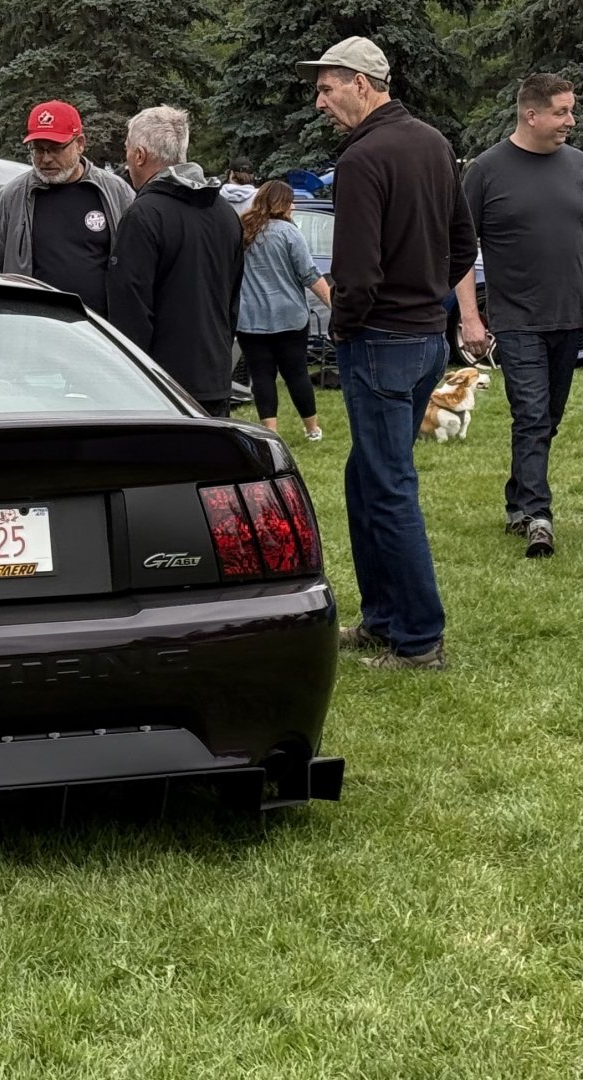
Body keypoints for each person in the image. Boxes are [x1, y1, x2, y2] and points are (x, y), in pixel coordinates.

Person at [297, 35, 477, 670]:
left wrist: (344, 326)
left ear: (363, 84)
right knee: (366, 476)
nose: (320, 101)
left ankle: (419, 638)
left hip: (380, 339)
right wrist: (432, 301)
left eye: (327, 87)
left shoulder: (364, 158)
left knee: (389, 484)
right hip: (425, 338)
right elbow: (464, 242)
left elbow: (357, 270)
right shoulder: (434, 143)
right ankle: (381, 619)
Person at [456, 73, 580, 559]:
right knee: (530, 415)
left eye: (572, 111)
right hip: (516, 319)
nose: (571, 121)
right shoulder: (486, 171)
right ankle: (538, 516)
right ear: (532, 115)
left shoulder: (581, 167)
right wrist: (470, 316)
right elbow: (460, 251)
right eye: (562, 112)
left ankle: (516, 501)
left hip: (570, 318)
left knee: (547, 418)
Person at [107, 105, 244, 415]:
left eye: (127, 150)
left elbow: (130, 309)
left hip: (158, 387)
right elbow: (231, 302)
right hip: (215, 377)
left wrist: (127, 381)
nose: (126, 160)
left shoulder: (143, 215)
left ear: (139, 155)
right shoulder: (225, 213)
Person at [0, 99, 135, 319]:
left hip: (101, 337)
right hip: (34, 334)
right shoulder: (9, 200)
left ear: (80, 143)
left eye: (55, 149)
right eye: (37, 149)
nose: (45, 159)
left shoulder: (116, 192)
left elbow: (136, 269)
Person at [236, 180, 332, 441]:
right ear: (282, 203)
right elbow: (309, 274)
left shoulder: (242, 231)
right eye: (291, 201)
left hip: (250, 319)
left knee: (261, 376)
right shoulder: (290, 233)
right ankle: (312, 429)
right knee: (297, 374)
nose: (294, 205)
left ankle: (271, 431)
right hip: (289, 318)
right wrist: (333, 304)